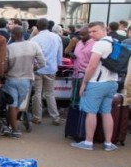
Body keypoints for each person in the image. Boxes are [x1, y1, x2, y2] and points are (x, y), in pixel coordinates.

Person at [71, 22, 120, 152]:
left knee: (91, 112)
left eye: (95, 31)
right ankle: (108, 143)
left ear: (104, 30)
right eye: (90, 31)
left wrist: (84, 83)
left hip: (97, 83)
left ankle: (88, 142)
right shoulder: (114, 43)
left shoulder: (99, 44)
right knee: (106, 112)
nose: (92, 34)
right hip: (112, 82)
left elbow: (92, 66)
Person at [1, 27, 46, 138]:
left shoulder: (9, 48)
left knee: (12, 105)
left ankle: (14, 129)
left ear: (12, 35)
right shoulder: (33, 45)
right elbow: (42, 62)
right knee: (17, 106)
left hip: (11, 79)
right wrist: (33, 68)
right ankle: (11, 127)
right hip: (26, 80)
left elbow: (5, 66)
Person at [30, 18, 63, 126]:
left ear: (37, 26)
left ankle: (37, 117)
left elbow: (32, 56)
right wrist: (57, 65)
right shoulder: (56, 37)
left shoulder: (34, 39)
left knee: (37, 93)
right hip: (51, 69)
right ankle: (55, 117)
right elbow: (59, 54)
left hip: (38, 69)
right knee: (50, 93)